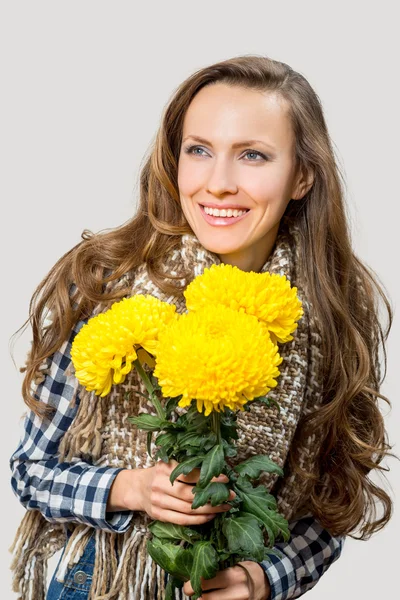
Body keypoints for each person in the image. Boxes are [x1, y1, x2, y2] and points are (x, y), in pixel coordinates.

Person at [9, 55, 393, 600]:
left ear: (302, 176)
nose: (218, 184)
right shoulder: (106, 282)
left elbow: (332, 506)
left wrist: (265, 578)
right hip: (95, 581)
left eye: (253, 156)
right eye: (199, 151)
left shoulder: (331, 310)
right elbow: (30, 470)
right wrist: (129, 488)